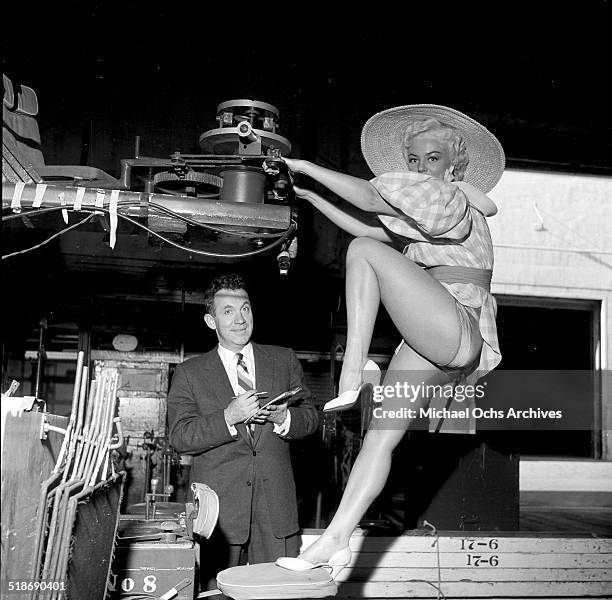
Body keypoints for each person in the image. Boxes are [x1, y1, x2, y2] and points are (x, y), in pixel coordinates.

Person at [275, 104, 504, 577]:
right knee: (379, 441)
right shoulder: (431, 215)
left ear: (454, 166)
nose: (422, 169)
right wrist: (314, 199)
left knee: (363, 254)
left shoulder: (452, 201)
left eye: (432, 158)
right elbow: (373, 226)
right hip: (432, 340)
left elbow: (370, 204)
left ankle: (354, 369)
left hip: (457, 321)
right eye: (414, 161)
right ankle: (336, 541)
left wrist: (309, 167)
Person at [167, 273, 319, 589]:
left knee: (278, 594)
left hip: (276, 512)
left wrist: (284, 418)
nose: (240, 320)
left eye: (245, 309)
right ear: (211, 321)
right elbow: (180, 436)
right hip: (218, 519)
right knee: (214, 595)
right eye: (228, 311)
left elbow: (311, 417)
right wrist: (228, 416)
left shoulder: (283, 359)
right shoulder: (189, 374)